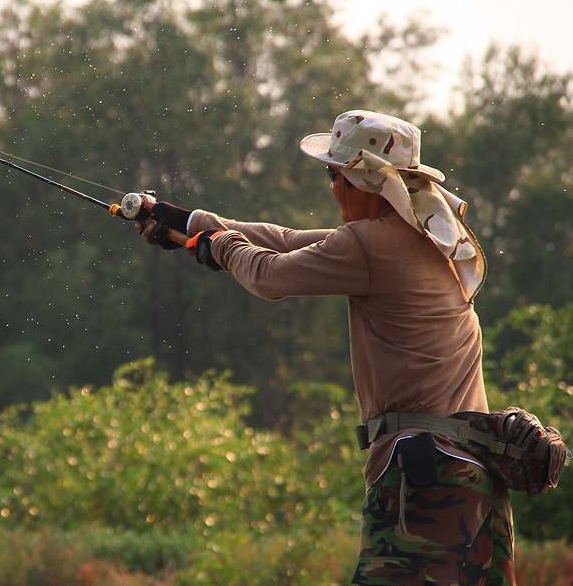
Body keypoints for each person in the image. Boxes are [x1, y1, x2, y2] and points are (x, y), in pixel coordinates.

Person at [137, 110, 514, 585]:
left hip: (423, 476)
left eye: (335, 176)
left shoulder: (368, 245)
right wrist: (191, 222)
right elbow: (288, 241)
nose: (332, 188)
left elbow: (270, 275)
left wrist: (221, 247)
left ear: (365, 182)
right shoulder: (428, 238)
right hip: (474, 475)